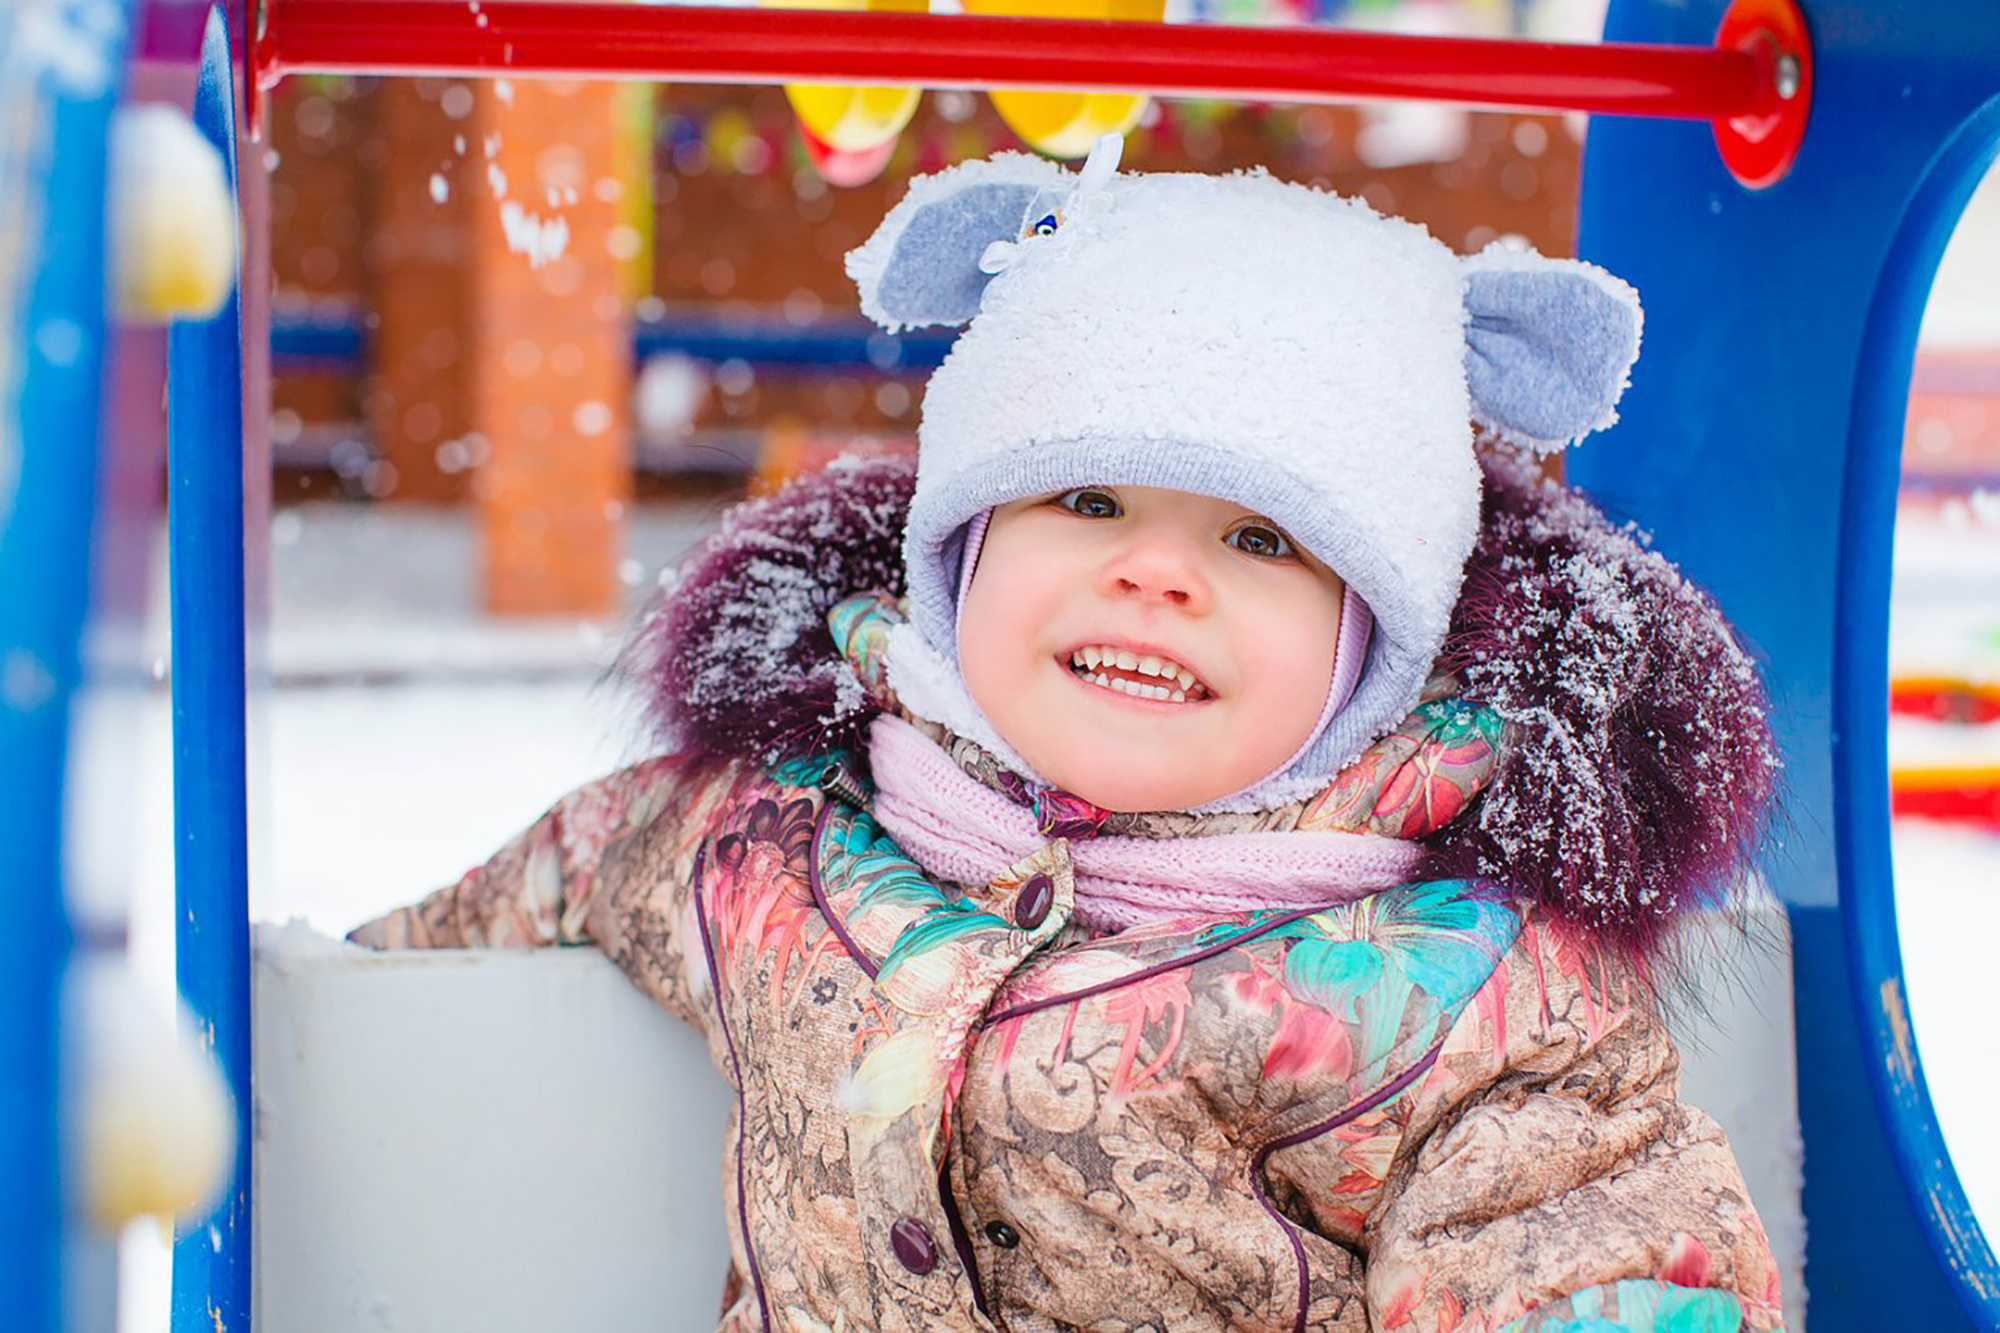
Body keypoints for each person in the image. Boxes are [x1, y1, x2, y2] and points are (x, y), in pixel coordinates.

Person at [353, 136, 1788, 1332]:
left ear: (1376, 648)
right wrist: (316, 1010)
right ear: (958, 560)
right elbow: (558, 872)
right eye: (1087, 502)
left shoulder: (1463, 988)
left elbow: (1585, 1248)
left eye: (1260, 536)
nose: (1157, 572)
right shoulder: (776, 832)